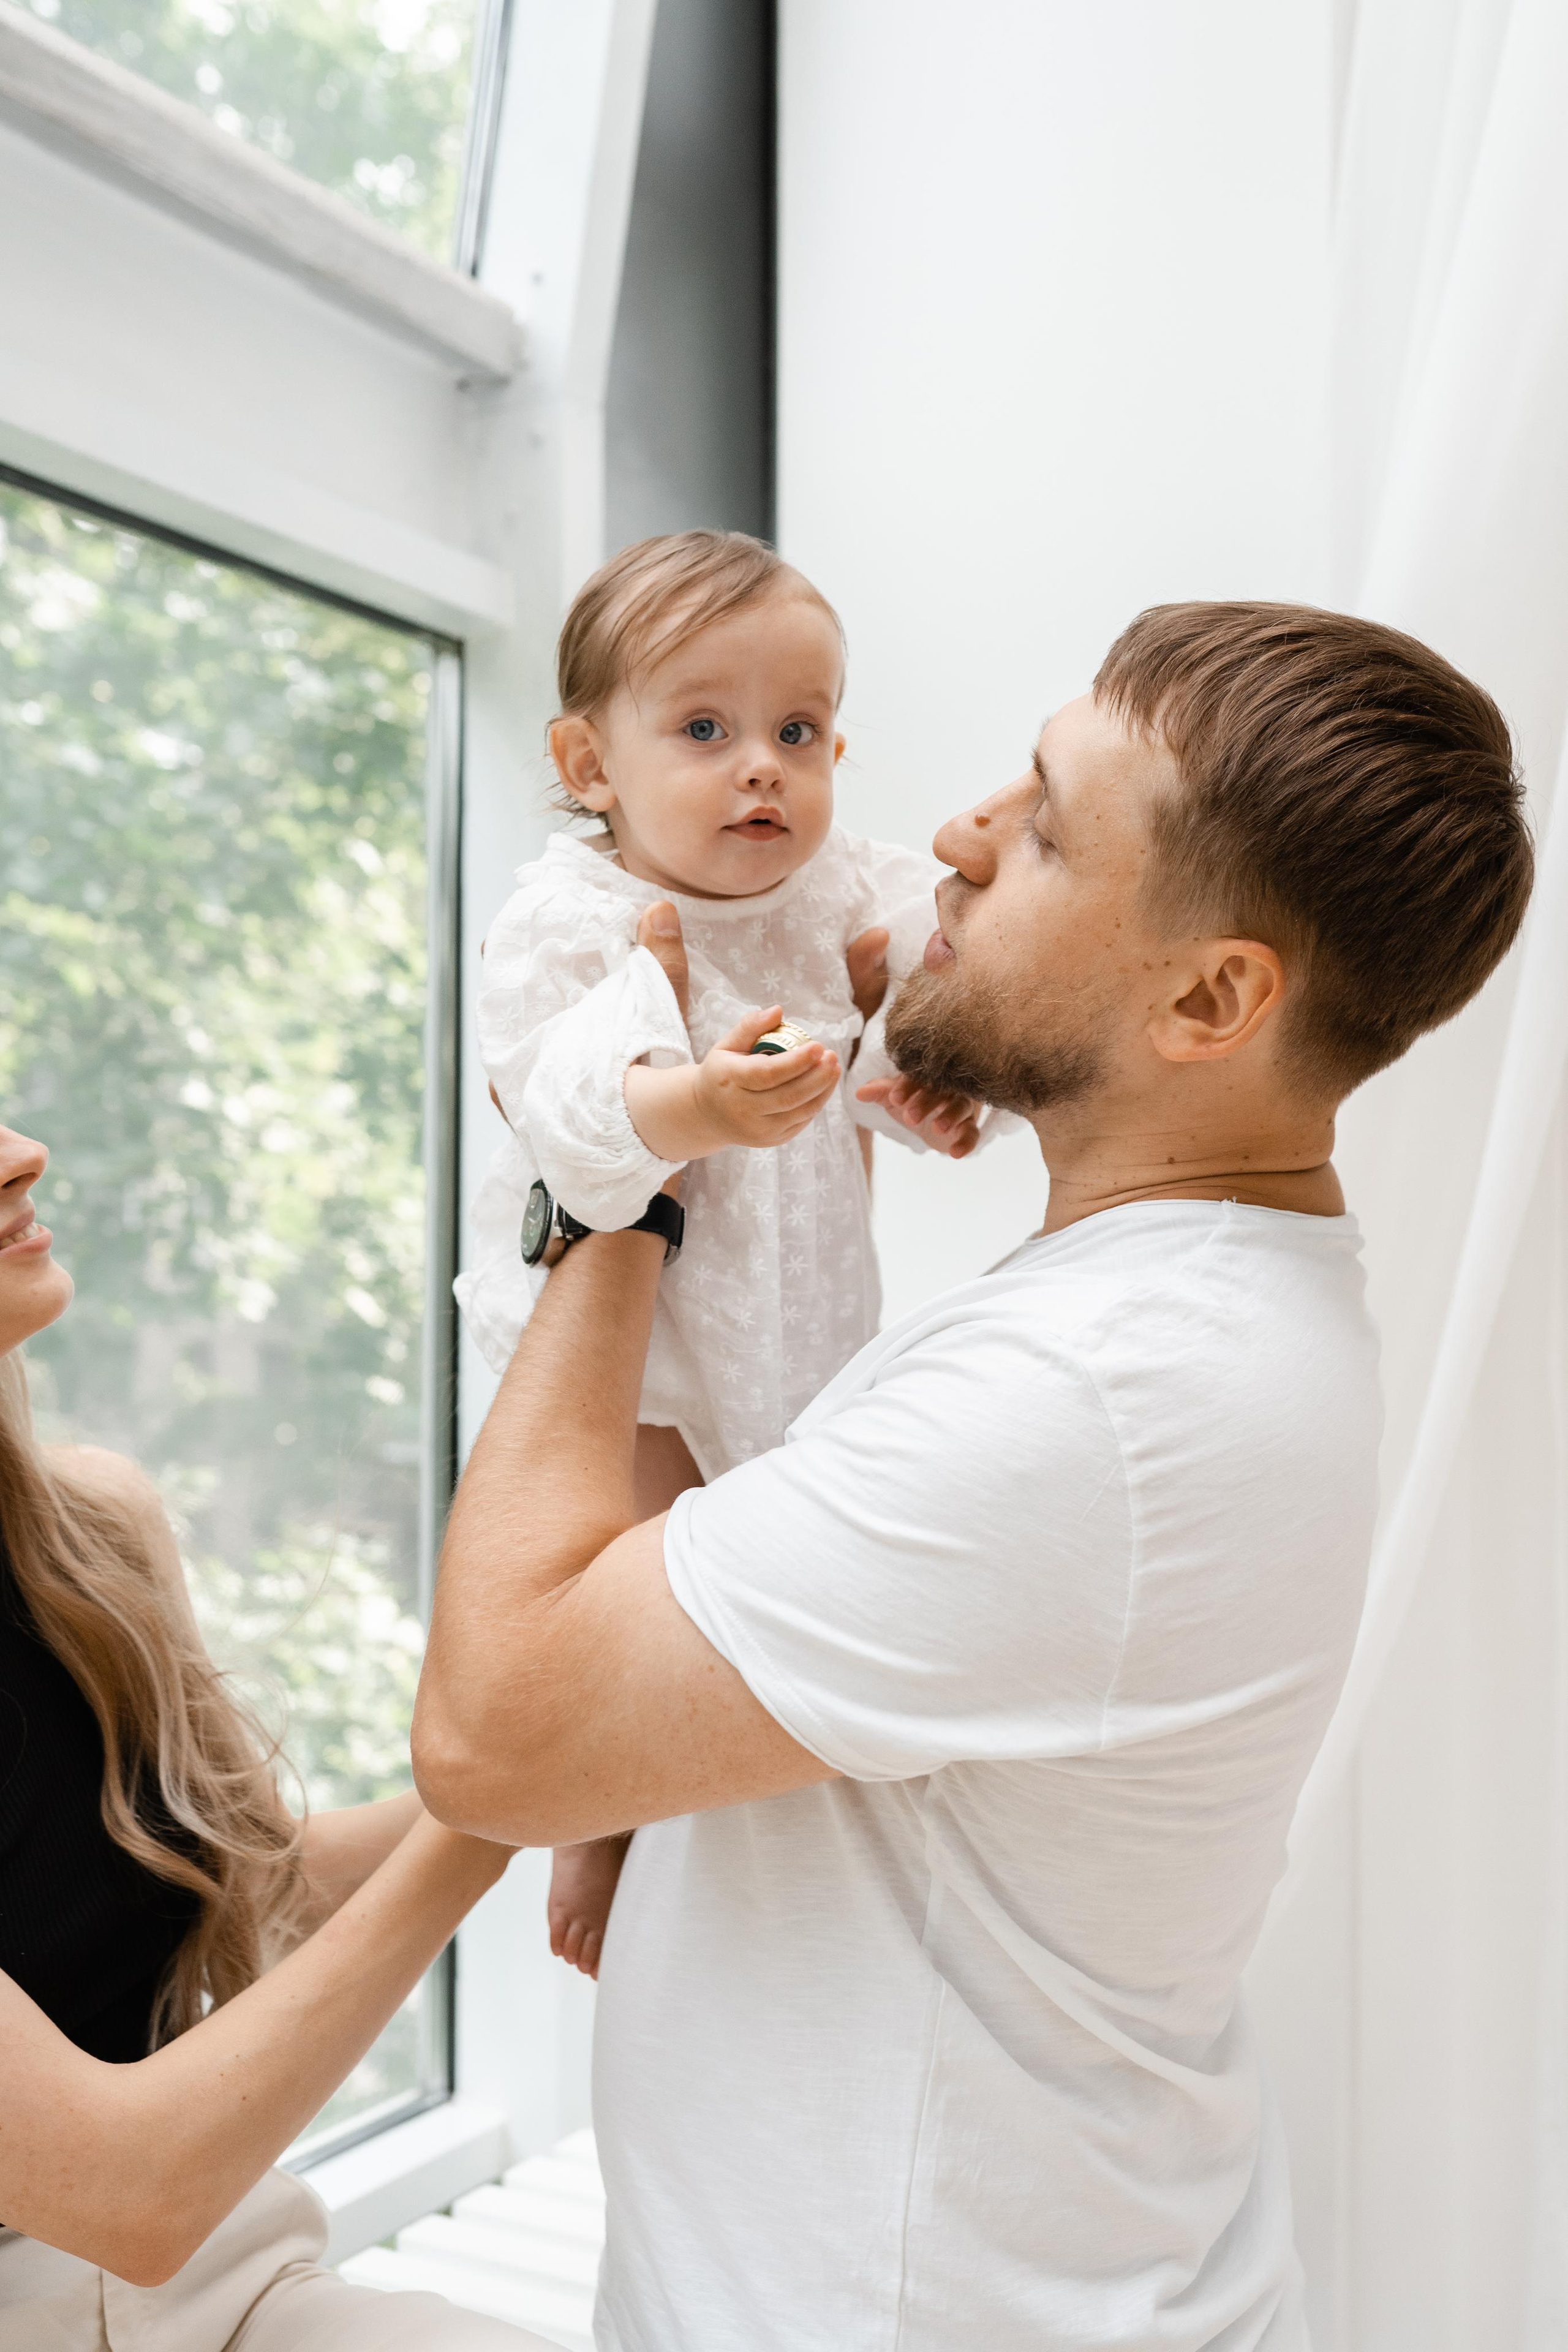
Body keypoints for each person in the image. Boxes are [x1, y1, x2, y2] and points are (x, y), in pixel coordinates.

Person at [413, 602, 1534, 2352]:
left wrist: (615, 1166)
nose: (954, 834)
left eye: (1049, 825)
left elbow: (496, 1734)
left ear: (1215, 996)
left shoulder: (1099, 1397)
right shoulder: (1179, 1311)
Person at [455, 530, 995, 1978]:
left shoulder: (836, 895)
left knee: (768, 1566)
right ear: (589, 764)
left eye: (798, 731)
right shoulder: (573, 918)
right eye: (703, 729)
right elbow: (561, 1098)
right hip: (636, 1351)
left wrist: (925, 1072)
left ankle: (750, 1826)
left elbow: (936, 996)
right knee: (632, 1572)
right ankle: (596, 1821)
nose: (762, 767)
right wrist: (687, 1100)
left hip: (804, 1313)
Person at [0, 1122, 556, 2348]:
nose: (26, 1154)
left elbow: (230, 1884)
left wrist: (582, 1747)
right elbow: (121, 2194)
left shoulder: (91, 1538)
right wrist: (496, 1812)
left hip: (218, 2285)